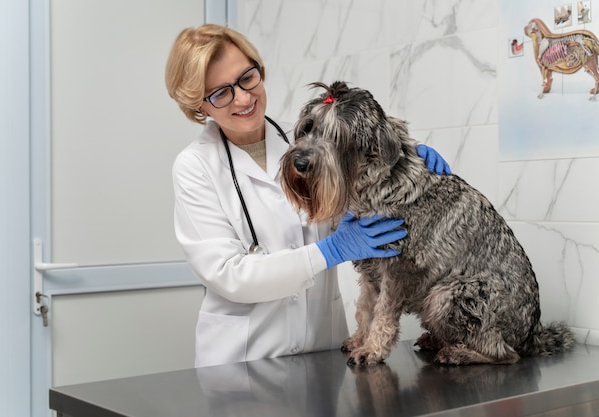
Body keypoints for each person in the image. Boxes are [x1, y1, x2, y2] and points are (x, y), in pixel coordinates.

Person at [165, 24, 451, 368]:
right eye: (221, 93)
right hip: (243, 360)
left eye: (247, 78)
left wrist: (405, 156)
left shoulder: (307, 138)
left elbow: (363, 165)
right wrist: (330, 251)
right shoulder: (195, 166)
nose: (243, 98)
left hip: (322, 348)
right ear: (200, 106)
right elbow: (228, 274)